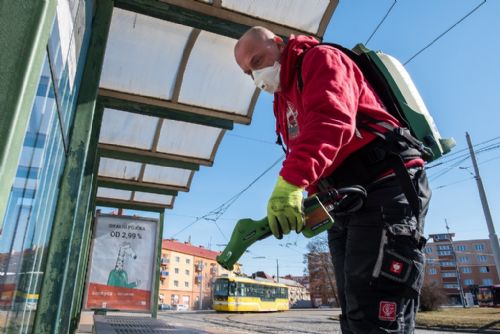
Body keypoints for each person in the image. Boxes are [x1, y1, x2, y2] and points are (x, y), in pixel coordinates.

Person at [234, 26, 431, 333]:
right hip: (344, 202)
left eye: (258, 61)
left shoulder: (321, 59)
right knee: (354, 307)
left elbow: (331, 122)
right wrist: (303, 204)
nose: (256, 75)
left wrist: (289, 186)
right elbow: (304, 150)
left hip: (384, 186)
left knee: (375, 311)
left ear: (278, 43)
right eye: (248, 72)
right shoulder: (283, 101)